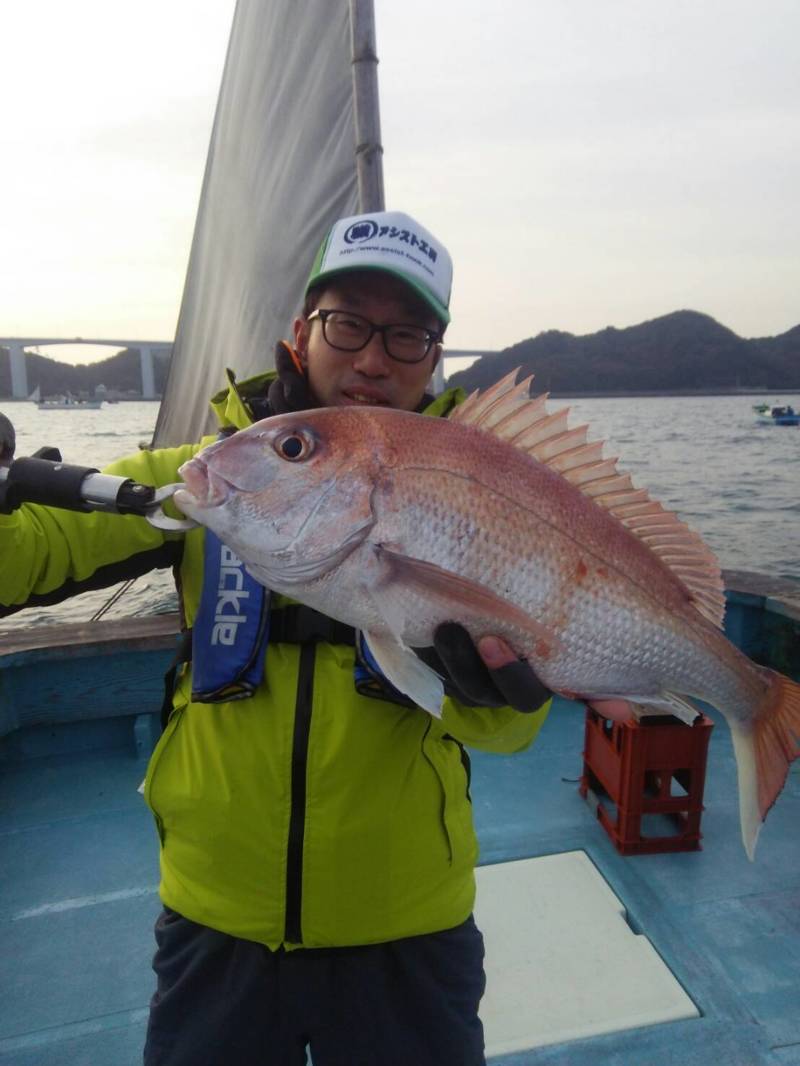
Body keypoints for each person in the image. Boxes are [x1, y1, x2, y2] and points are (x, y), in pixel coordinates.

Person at [0, 210, 615, 1066]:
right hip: (217, 918)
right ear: (301, 332)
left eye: (407, 337)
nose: (372, 358)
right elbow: (23, 555)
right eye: (349, 323)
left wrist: (500, 696)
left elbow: (505, 733)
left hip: (407, 925)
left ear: (435, 359)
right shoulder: (205, 477)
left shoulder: (481, 493)